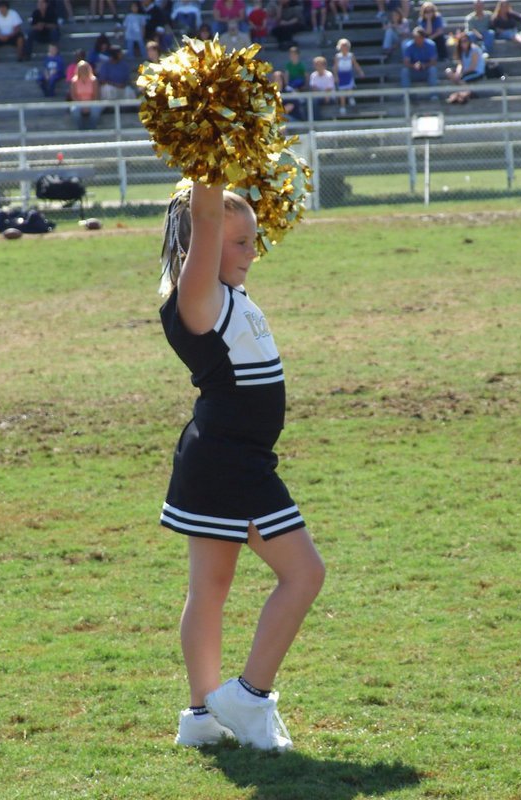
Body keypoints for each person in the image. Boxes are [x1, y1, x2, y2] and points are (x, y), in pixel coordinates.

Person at [158, 182, 325, 751]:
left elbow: (217, 219)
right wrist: (208, 156)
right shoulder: (197, 296)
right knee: (304, 574)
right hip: (231, 461)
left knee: (210, 588)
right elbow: (205, 216)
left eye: (253, 240)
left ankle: (201, 716)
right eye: (238, 242)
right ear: (202, 243)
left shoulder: (230, 293)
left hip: (223, 456)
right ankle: (249, 698)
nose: (252, 251)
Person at [445, 30, 486, 102]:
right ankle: (463, 93)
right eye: (462, 42)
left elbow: (472, 67)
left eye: (465, 41)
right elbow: (460, 64)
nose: (464, 43)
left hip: (476, 72)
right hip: (465, 72)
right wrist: (457, 73)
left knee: (462, 80)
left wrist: (461, 74)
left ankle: (470, 93)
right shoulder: (462, 51)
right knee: (448, 72)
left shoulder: (474, 50)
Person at [400, 26, 439, 97]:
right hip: (414, 72)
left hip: (426, 71)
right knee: (404, 71)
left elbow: (434, 62)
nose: (416, 39)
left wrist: (424, 65)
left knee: (433, 70)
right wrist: (414, 65)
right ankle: (406, 96)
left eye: (418, 37)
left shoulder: (431, 45)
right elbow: (406, 62)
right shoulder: (409, 46)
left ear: (423, 37)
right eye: (414, 37)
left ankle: (434, 95)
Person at [334, 37, 363, 113]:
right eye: (343, 45)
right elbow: (335, 67)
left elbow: (356, 65)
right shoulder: (338, 57)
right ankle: (343, 107)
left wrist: (360, 72)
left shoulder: (351, 56)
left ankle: (351, 98)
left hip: (348, 75)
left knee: (350, 88)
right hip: (341, 76)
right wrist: (336, 76)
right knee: (342, 92)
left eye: (346, 45)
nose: (345, 47)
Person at [70, 59, 101, 128]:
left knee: (95, 110)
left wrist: (89, 105)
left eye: (85, 68)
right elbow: (73, 96)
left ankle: (92, 128)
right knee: (75, 110)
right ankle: (80, 128)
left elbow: (96, 95)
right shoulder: (74, 81)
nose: (83, 70)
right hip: (78, 103)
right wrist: (81, 105)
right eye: (81, 68)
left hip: (92, 102)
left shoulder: (94, 80)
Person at [308, 54, 335, 119]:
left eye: (320, 64)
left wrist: (324, 95)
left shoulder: (329, 75)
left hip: (329, 97)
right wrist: (322, 94)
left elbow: (329, 89)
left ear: (324, 65)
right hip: (319, 97)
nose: (318, 66)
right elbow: (314, 88)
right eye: (316, 65)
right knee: (311, 101)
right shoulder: (313, 75)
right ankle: (316, 120)